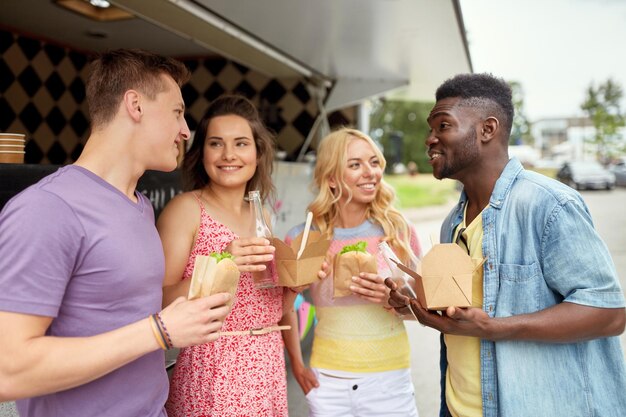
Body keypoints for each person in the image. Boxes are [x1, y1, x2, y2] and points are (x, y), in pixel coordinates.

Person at [0, 49, 232, 416]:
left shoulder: (139, 206)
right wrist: (159, 332)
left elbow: (123, 310)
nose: (186, 130)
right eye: (177, 112)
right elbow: (7, 371)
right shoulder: (47, 208)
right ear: (135, 105)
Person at [386, 73, 626, 417]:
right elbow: (466, 311)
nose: (430, 139)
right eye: (431, 128)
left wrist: (494, 328)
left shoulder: (549, 205)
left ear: (487, 129)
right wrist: (411, 300)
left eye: (443, 126)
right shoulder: (452, 223)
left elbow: (608, 314)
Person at [158, 94, 289, 416]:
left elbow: (268, 307)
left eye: (241, 143)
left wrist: (296, 282)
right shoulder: (186, 209)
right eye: (216, 143)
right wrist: (222, 263)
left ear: (258, 153)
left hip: (268, 364)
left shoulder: (262, 216)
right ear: (201, 152)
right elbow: (158, 299)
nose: (228, 154)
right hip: (213, 368)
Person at [282, 127, 423, 417]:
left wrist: (392, 298)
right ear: (332, 179)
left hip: (389, 380)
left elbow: (425, 307)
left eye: (374, 162)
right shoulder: (304, 236)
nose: (369, 172)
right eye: (355, 165)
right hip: (327, 382)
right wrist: (296, 364)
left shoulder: (397, 231)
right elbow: (282, 308)